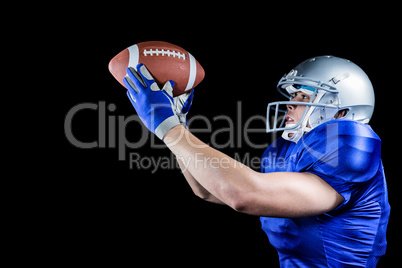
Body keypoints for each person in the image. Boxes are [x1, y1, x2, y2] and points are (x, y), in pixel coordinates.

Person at [123, 55, 390, 267]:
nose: (290, 104)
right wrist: (180, 127)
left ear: (341, 111)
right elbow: (207, 190)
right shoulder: (284, 151)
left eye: (304, 97)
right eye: (292, 96)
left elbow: (244, 195)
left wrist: (170, 129)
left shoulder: (351, 140)